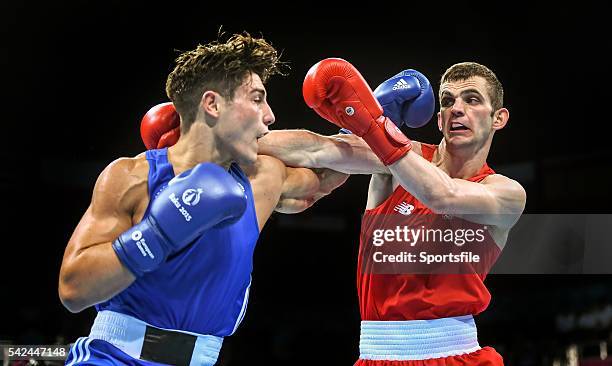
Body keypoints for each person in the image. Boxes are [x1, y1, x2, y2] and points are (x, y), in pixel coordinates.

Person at [58, 34, 348, 366]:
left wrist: (368, 122)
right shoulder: (132, 177)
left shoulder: (261, 178)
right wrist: (158, 232)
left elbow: (326, 175)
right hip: (113, 357)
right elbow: (73, 289)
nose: (269, 115)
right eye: (257, 99)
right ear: (212, 104)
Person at [258, 59, 526, 365]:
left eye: (472, 100)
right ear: (439, 120)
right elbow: (318, 148)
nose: (457, 109)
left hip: (455, 355)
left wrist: (374, 126)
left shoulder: (507, 193)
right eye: (448, 101)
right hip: (376, 354)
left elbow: (443, 195)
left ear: (499, 118)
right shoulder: (398, 163)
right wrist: (233, 141)